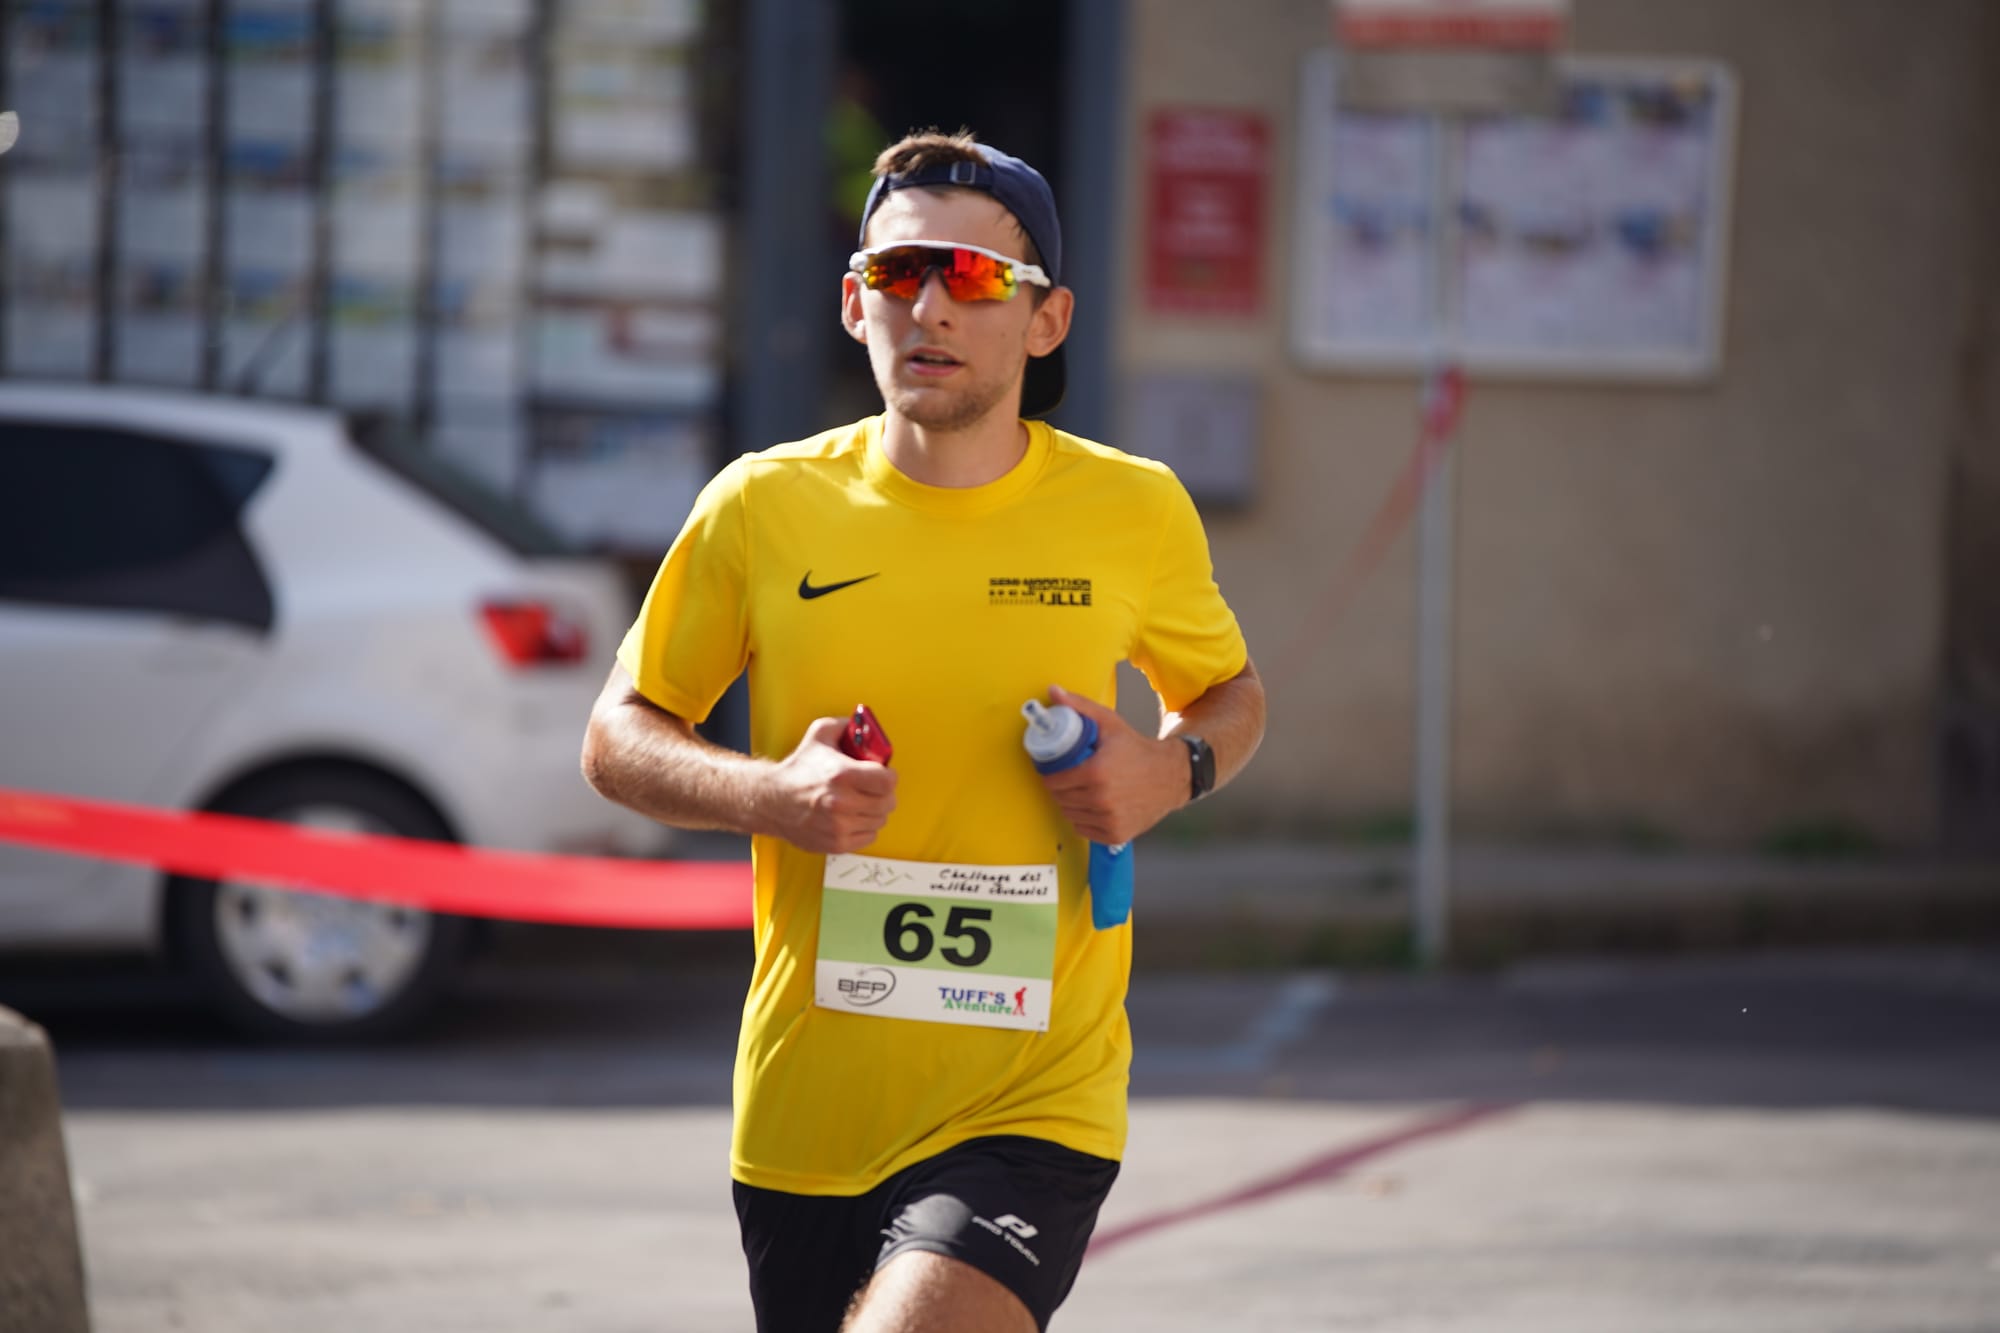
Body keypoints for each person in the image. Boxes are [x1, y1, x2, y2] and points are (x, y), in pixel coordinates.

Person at [581, 129, 1265, 1333]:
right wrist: (768, 794)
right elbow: (619, 734)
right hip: (806, 1108)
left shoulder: (1130, 510)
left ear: (1044, 320)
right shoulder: (762, 507)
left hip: (1032, 1095)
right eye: (899, 275)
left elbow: (1229, 695)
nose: (932, 305)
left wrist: (1171, 767)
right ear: (855, 303)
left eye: (975, 277)